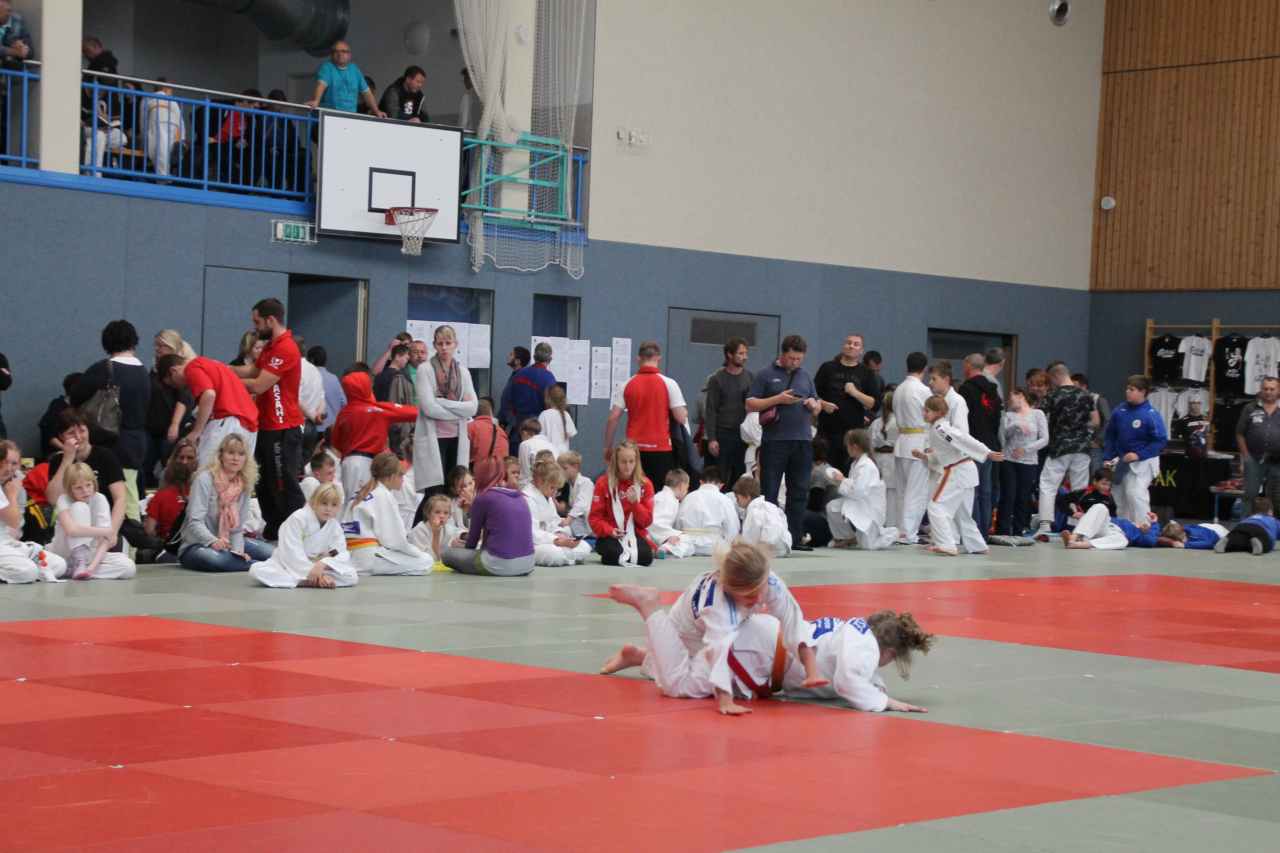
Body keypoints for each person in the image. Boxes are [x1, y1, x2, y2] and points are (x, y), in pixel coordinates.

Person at [600, 542, 827, 705]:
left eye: (760, 591)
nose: (759, 599)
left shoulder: (767, 579)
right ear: (730, 588)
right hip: (686, 631)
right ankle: (649, 606)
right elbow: (718, 650)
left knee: (686, 668)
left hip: (720, 630)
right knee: (675, 685)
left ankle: (641, 656)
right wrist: (725, 699)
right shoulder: (718, 604)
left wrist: (812, 670)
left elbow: (793, 620)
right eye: (749, 596)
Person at [746, 335, 831, 552]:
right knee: (770, 490)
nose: (795, 362)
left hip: (802, 440)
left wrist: (814, 405)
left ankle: (794, 537)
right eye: (792, 358)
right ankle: (768, 537)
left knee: (799, 490)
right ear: (782, 354)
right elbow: (750, 404)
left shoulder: (805, 376)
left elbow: (816, 403)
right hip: (775, 441)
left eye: (799, 359)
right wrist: (778, 399)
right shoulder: (765, 374)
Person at [232, 298, 305, 540]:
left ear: (270, 320)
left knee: (282, 482)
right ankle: (274, 529)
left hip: (282, 427)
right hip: (266, 425)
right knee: (263, 482)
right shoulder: (271, 346)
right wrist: (221, 369)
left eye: (257, 322)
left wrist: (226, 381)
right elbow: (253, 371)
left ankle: (296, 532)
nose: (255, 327)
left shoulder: (286, 348)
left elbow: (259, 384)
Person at [71, 320, 150, 521]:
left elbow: (76, 395)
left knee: (101, 496)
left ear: (106, 342)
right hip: (136, 441)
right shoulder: (144, 372)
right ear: (134, 341)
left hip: (109, 440)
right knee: (129, 496)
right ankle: (131, 539)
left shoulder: (104, 369)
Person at [783, 611, 934, 713]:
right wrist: (885, 702)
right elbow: (846, 681)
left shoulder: (857, 630)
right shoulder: (866, 647)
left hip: (780, 639)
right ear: (891, 652)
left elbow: (854, 667)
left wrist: (877, 687)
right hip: (774, 656)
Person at [914, 396, 1002, 556]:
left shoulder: (941, 429)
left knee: (936, 507)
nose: (924, 413)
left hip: (957, 471)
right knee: (962, 514)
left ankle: (946, 544)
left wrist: (986, 452)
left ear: (938, 412)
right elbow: (944, 454)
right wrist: (925, 456)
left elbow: (963, 439)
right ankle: (977, 545)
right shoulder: (936, 428)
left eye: (927, 410)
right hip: (964, 470)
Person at [178, 434, 274, 572]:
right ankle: (260, 567)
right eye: (231, 453)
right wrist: (213, 541)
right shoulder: (204, 479)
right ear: (221, 455)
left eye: (241, 454)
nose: (236, 458)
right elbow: (194, 521)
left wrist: (238, 552)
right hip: (198, 545)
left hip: (228, 543)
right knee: (216, 560)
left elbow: (237, 529)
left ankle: (244, 563)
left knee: (272, 553)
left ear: (246, 459)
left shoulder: (245, 483)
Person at [605, 341, 689, 491]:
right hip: (661, 449)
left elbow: (613, 418)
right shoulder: (669, 384)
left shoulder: (627, 384)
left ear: (638, 359)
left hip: (634, 450)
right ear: (658, 358)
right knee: (659, 495)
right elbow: (681, 417)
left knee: (633, 492)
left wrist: (608, 447)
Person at [45, 412, 127, 557]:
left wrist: (112, 531)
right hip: (71, 526)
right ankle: (78, 559)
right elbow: (53, 499)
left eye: (82, 431)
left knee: (125, 566)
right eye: (71, 433)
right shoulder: (57, 461)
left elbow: (120, 498)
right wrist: (67, 459)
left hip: (101, 523)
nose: (78, 437)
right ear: (62, 437)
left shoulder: (105, 456)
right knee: (79, 508)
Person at [250, 483, 358, 588]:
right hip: (287, 565)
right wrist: (317, 574)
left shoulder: (334, 526)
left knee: (351, 576)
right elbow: (291, 553)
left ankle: (309, 580)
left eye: (334, 505)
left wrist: (324, 563)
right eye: (324, 503)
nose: (328, 509)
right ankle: (316, 580)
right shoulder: (298, 518)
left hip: (318, 566)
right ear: (313, 502)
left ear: (339, 507)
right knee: (257, 570)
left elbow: (341, 553)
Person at [331, 369, 418, 497]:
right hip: (369, 463)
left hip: (351, 462)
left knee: (354, 500)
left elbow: (336, 443)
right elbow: (413, 413)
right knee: (362, 501)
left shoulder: (344, 413)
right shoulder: (379, 409)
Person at [342, 451, 431, 575]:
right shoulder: (383, 495)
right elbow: (395, 541)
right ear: (391, 476)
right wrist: (417, 553)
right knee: (426, 561)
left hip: (352, 556)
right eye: (401, 475)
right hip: (369, 559)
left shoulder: (361, 493)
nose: (403, 480)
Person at [1034, 365, 1097, 541]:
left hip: (1060, 447)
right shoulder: (1086, 395)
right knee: (1079, 488)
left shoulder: (1053, 396)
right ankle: (1077, 527)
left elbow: (1039, 417)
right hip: (1082, 447)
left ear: (1055, 377)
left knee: (1048, 484)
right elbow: (1095, 421)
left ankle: (1045, 526)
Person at [413, 325, 478, 495]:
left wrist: (441, 402)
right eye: (440, 343)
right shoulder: (425, 369)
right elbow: (429, 409)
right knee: (434, 493)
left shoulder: (463, 372)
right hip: (434, 437)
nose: (444, 347)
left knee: (454, 490)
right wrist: (460, 410)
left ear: (456, 344)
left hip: (457, 436)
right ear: (434, 345)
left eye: (448, 343)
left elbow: (473, 408)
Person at [49, 463, 137, 580]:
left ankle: (75, 570)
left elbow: (105, 540)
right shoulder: (63, 499)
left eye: (88, 485)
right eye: (78, 488)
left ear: (94, 483)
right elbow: (72, 530)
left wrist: (92, 567)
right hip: (64, 552)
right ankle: (75, 564)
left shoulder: (100, 499)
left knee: (128, 567)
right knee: (80, 507)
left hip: (90, 554)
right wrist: (106, 531)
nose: (85, 491)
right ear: (70, 489)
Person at [1103, 375, 1168, 526]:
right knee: (1119, 496)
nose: (1127, 392)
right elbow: (1110, 435)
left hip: (1144, 461)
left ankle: (1145, 528)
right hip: (1121, 460)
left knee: (1135, 494)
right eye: (1127, 389)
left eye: (1132, 389)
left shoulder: (1150, 414)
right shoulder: (1120, 410)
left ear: (1143, 392)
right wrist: (1107, 457)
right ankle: (1124, 528)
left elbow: (1160, 441)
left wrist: (1138, 455)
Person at [442, 477, 535, 576]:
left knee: (446, 554)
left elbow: (472, 543)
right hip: (528, 564)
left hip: (499, 564)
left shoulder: (482, 497)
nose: (468, 488)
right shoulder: (520, 496)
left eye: (470, 483)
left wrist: (464, 551)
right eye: (464, 486)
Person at [1, 440, 64, 584]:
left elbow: (17, 526)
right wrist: (12, 494)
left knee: (58, 565)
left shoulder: (16, 485)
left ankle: (19, 565)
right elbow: (13, 521)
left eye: (14, 463)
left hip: (8, 542)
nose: (9, 468)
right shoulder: (13, 489)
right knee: (28, 572)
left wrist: (16, 551)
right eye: (5, 462)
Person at [826, 429, 897, 550]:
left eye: (847, 446)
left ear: (855, 447)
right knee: (832, 507)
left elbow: (859, 492)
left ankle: (889, 533)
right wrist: (841, 481)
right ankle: (846, 537)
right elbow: (854, 486)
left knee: (868, 546)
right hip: (858, 503)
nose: (846, 449)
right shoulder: (856, 464)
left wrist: (842, 480)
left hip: (868, 508)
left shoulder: (866, 466)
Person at [815, 334, 876, 474]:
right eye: (849, 343)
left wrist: (855, 393)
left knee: (850, 474)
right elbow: (812, 394)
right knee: (824, 475)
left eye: (856, 344)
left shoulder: (866, 373)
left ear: (861, 351)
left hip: (852, 435)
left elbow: (874, 403)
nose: (851, 346)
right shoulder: (827, 368)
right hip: (827, 433)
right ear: (843, 346)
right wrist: (822, 404)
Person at [589, 439, 655, 566]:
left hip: (635, 534)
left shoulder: (645, 484)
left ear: (636, 462)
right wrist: (610, 531)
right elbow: (594, 519)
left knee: (646, 558)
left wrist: (635, 504)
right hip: (610, 534)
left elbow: (647, 521)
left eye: (631, 461)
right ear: (616, 462)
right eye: (623, 462)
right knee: (613, 552)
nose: (628, 466)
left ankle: (624, 555)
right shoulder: (603, 483)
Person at [959, 353, 1002, 539]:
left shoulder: (966, 389)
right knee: (986, 490)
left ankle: (973, 532)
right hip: (990, 443)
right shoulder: (993, 390)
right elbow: (997, 418)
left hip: (973, 443)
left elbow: (964, 419)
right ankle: (984, 531)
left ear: (968, 366)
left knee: (973, 490)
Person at [145, 330, 194, 490]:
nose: (157, 349)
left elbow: (184, 398)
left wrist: (174, 424)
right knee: (147, 462)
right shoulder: (155, 368)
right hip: (153, 425)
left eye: (162, 346)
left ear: (172, 347)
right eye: (156, 345)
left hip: (171, 426)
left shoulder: (180, 369)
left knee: (170, 461)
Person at [893, 352, 933, 544]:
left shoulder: (899, 389)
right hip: (918, 443)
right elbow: (932, 416)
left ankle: (902, 530)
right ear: (924, 368)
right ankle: (908, 533)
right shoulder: (923, 390)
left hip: (901, 442)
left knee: (902, 491)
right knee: (916, 492)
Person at [703, 337, 753, 490]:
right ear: (729, 355)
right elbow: (711, 410)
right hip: (723, 434)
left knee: (741, 475)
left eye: (745, 353)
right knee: (721, 475)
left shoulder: (750, 377)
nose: (745, 357)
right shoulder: (717, 379)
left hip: (743, 435)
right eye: (740, 353)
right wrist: (712, 438)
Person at [997, 387, 1047, 537]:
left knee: (1023, 495)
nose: (1009, 401)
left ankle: (1019, 530)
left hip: (1029, 461)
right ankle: (1003, 530)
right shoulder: (1008, 415)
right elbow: (1003, 437)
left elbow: (1045, 439)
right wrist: (1015, 425)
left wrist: (1026, 449)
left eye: (1012, 397)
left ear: (1021, 396)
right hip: (1009, 459)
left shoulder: (1037, 414)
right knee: (1008, 494)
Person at [522, 458, 590, 566]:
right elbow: (531, 533)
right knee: (555, 554)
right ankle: (567, 556)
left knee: (584, 547)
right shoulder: (526, 498)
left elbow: (555, 522)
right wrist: (556, 540)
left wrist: (561, 534)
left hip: (552, 540)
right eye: (552, 488)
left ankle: (566, 556)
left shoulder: (547, 497)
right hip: (534, 544)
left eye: (556, 489)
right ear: (540, 481)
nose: (554, 492)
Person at [1236, 376, 1280, 514]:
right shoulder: (1250, 408)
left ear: (1278, 390)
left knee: (1277, 497)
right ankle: (1246, 524)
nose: (1268, 392)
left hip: (1278, 461)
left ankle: (1275, 525)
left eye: (1272, 389)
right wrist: (1246, 457)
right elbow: (1239, 433)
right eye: (1265, 389)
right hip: (1254, 459)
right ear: (1261, 390)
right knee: (1250, 495)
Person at [305, 41, 385, 117]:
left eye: (343, 51)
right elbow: (321, 85)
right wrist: (316, 100)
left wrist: (376, 111)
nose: (340, 54)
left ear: (349, 55)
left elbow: (367, 93)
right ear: (332, 55)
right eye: (336, 51)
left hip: (349, 116)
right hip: (330, 115)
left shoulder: (354, 69)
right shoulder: (327, 67)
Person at [143, 439, 196, 552]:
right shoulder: (160, 496)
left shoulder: (205, 493)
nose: (185, 462)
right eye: (181, 457)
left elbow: (149, 530)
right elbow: (149, 530)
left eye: (190, 458)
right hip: (171, 549)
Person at [675, 464, 740, 555]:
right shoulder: (725, 500)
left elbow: (677, 524)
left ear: (701, 482)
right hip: (714, 548)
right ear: (721, 485)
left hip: (687, 546)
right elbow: (732, 529)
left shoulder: (688, 498)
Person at [507, 342, 558, 447]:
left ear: (534, 356)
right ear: (549, 359)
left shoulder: (519, 374)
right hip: (538, 428)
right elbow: (551, 406)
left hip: (518, 426)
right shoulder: (549, 378)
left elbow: (509, 400)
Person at [734, 475, 792, 557]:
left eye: (737, 498)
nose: (737, 501)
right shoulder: (771, 506)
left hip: (768, 547)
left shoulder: (754, 511)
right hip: (784, 545)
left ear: (747, 496)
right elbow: (783, 522)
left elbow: (750, 537)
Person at [1061, 504, 1158, 550]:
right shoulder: (1129, 522)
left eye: (1148, 526)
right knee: (1100, 507)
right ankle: (1073, 537)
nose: (1145, 524)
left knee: (1123, 540)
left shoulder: (1140, 535)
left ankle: (1078, 544)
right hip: (1104, 526)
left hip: (1112, 535)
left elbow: (1150, 541)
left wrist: (1154, 524)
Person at [408, 493, 466, 568]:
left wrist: (463, 537)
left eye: (446, 513)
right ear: (428, 514)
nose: (442, 516)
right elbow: (429, 559)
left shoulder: (446, 528)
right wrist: (436, 534)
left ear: (449, 516)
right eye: (437, 512)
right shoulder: (419, 530)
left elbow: (459, 532)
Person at [869, 389, 900, 530]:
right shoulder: (900, 423)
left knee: (879, 495)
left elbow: (870, 444)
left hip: (878, 459)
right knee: (893, 496)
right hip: (893, 460)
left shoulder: (876, 423)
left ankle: (879, 525)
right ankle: (892, 527)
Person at [142, 79, 184, 179]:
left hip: (156, 125)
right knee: (167, 151)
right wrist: (182, 138)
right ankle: (164, 176)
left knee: (158, 151)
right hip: (172, 126)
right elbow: (180, 121)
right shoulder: (172, 101)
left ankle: (162, 176)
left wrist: (143, 136)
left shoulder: (148, 99)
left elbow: (143, 120)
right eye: (170, 90)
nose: (171, 92)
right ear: (165, 89)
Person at [650, 469, 694, 558]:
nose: (687, 491)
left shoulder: (664, 496)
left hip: (655, 535)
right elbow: (655, 523)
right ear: (682, 486)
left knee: (685, 539)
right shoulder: (667, 499)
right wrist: (667, 536)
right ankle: (665, 548)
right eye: (687, 488)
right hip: (653, 535)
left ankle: (662, 548)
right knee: (687, 539)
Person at [468, 398, 509, 493]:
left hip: (479, 476)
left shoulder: (470, 427)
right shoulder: (501, 431)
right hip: (499, 475)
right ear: (491, 413)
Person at [1074, 373, 1112, 475]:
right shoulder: (1073, 401)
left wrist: (1099, 440)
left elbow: (1108, 421)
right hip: (1079, 445)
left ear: (1084, 386)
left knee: (1096, 472)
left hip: (1095, 445)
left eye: (1075, 387)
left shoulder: (1098, 399)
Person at [1214, 498, 1280, 555]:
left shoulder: (1249, 518)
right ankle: (1260, 542)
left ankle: (1228, 541)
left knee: (1238, 541)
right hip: (1260, 530)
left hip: (1241, 527)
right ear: (1270, 511)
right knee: (1266, 542)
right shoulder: (1273, 520)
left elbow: (1239, 524)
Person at [39, 373, 81, 460]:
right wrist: (66, 449)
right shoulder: (57, 406)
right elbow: (48, 434)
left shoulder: (82, 406)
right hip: (57, 453)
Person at [307, 346, 347, 436]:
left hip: (313, 430)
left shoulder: (307, 379)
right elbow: (344, 403)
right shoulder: (334, 378)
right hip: (332, 430)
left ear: (311, 360)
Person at [558, 451, 594, 538]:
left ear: (576, 467)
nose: (562, 472)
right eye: (560, 469)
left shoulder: (586, 482)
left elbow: (581, 505)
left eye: (565, 468)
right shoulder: (569, 486)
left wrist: (568, 520)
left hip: (590, 525)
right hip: (579, 524)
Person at [927, 361, 969, 434]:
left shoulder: (957, 401)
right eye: (930, 379)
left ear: (946, 379)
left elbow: (961, 434)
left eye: (934, 379)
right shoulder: (934, 401)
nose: (930, 382)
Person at [497, 346, 531, 434]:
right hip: (509, 423)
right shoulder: (515, 375)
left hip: (514, 425)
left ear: (518, 361)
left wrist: (512, 421)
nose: (508, 356)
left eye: (511, 354)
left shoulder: (521, 378)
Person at [515, 418, 556, 487]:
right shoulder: (551, 445)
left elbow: (524, 474)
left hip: (535, 485)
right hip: (553, 484)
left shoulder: (525, 444)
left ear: (524, 433)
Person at [539, 384, 576, 456]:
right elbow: (571, 434)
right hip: (563, 454)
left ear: (548, 399)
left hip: (549, 454)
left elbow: (539, 435)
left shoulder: (544, 415)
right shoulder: (566, 414)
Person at [1157, 520, 1229, 550]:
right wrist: (1171, 542)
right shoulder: (1180, 531)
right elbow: (1158, 538)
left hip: (1219, 533)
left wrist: (1185, 545)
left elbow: (1209, 543)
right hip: (1205, 527)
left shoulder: (1195, 534)